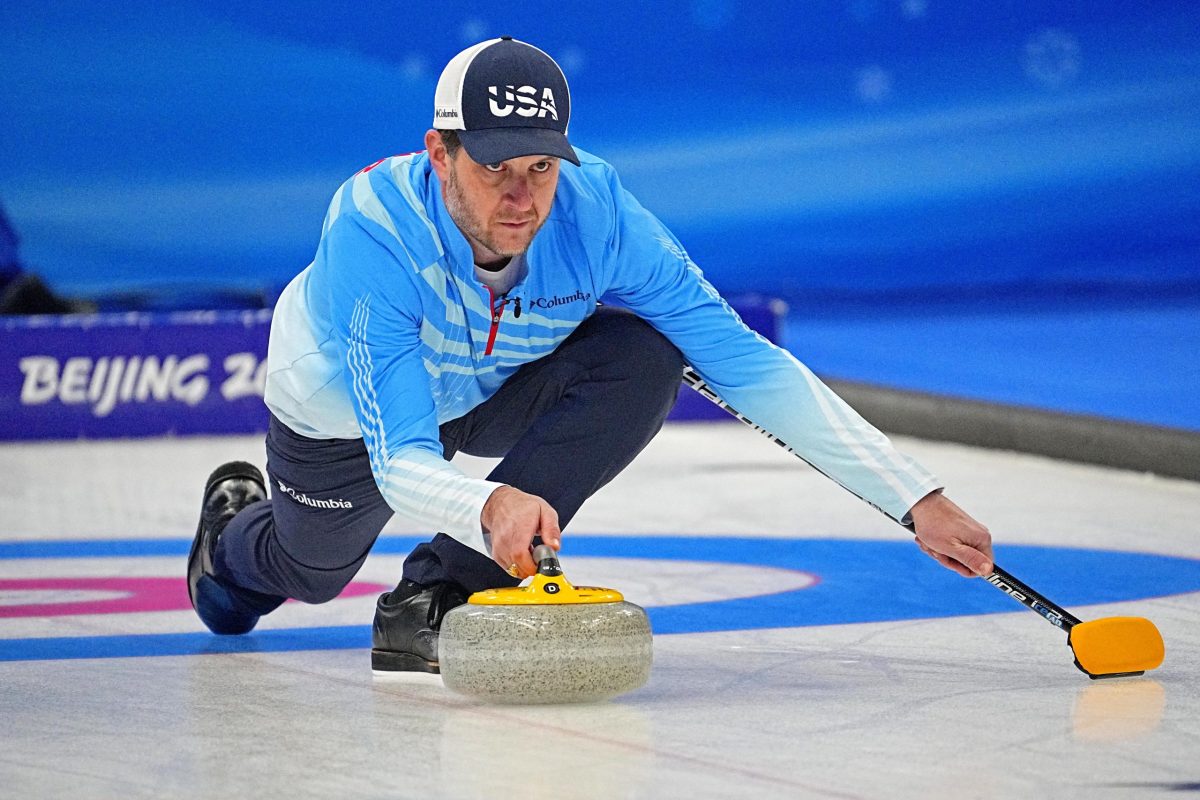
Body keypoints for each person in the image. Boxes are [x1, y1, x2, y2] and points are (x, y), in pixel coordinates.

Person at [187, 37, 993, 674]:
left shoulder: (596, 211)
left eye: (540, 166)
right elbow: (401, 459)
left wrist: (913, 496)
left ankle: (439, 591)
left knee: (648, 352)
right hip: (349, 425)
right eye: (494, 165)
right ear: (439, 154)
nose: (522, 196)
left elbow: (744, 362)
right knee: (310, 573)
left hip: (488, 389)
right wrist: (489, 504)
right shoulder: (374, 231)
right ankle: (227, 545)